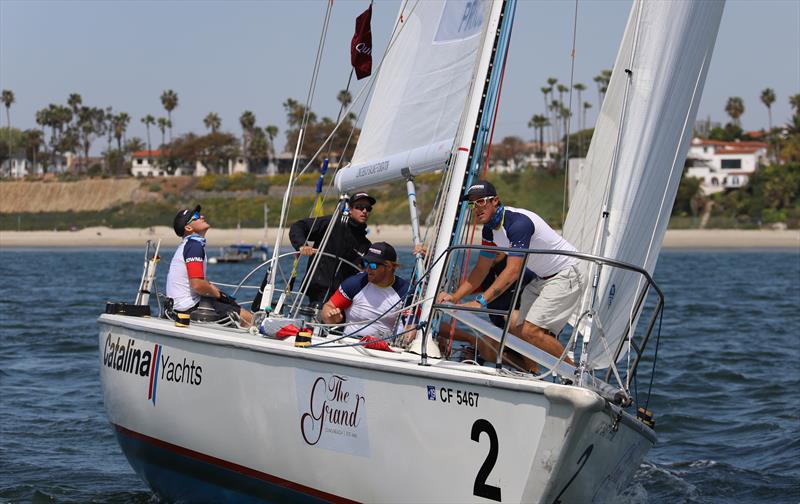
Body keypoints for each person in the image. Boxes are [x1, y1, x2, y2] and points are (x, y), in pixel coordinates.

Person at [437, 180, 583, 369]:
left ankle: (574, 374)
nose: (476, 208)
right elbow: (481, 269)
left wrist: (480, 301)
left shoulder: (518, 223)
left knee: (531, 331)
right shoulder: (490, 230)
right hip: (542, 279)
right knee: (519, 331)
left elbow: (513, 271)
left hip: (567, 274)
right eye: (472, 204)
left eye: (481, 201)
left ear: (495, 201)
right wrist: (454, 297)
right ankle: (532, 374)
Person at [166, 205, 253, 327]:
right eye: (196, 217)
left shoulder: (189, 244)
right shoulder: (194, 246)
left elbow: (201, 282)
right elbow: (197, 284)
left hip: (180, 305)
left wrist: (220, 295)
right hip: (188, 307)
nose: (202, 216)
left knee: (232, 306)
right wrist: (219, 295)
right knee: (248, 319)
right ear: (188, 227)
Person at [289, 192, 375, 306]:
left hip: (344, 296)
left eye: (368, 208)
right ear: (350, 209)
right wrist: (302, 245)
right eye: (359, 207)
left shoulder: (365, 244)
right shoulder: (332, 223)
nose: (364, 211)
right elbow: (299, 226)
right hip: (319, 290)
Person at [320, 242, 410, 343]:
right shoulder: (355, 283)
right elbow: (327, 309)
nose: (368, 269)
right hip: (349, 343)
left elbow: (411, 328)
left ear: (388, 266)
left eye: (373, 265)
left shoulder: (405, 291)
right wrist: (332, 319)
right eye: (366, 263)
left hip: (382, 348)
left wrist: (406, 338)